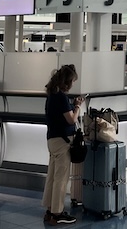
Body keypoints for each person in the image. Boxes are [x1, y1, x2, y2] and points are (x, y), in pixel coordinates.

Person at [42, 64, 84, 225]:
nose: (73, 84)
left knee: (52, 176)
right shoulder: (61, 97)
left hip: (52, 140)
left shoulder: (52, 95)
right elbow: (71, 119)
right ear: (67, 82)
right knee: (61, 178)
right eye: (72, 81)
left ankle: (50, 209)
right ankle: (57, 213)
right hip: (62, 142)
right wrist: (78, 106)